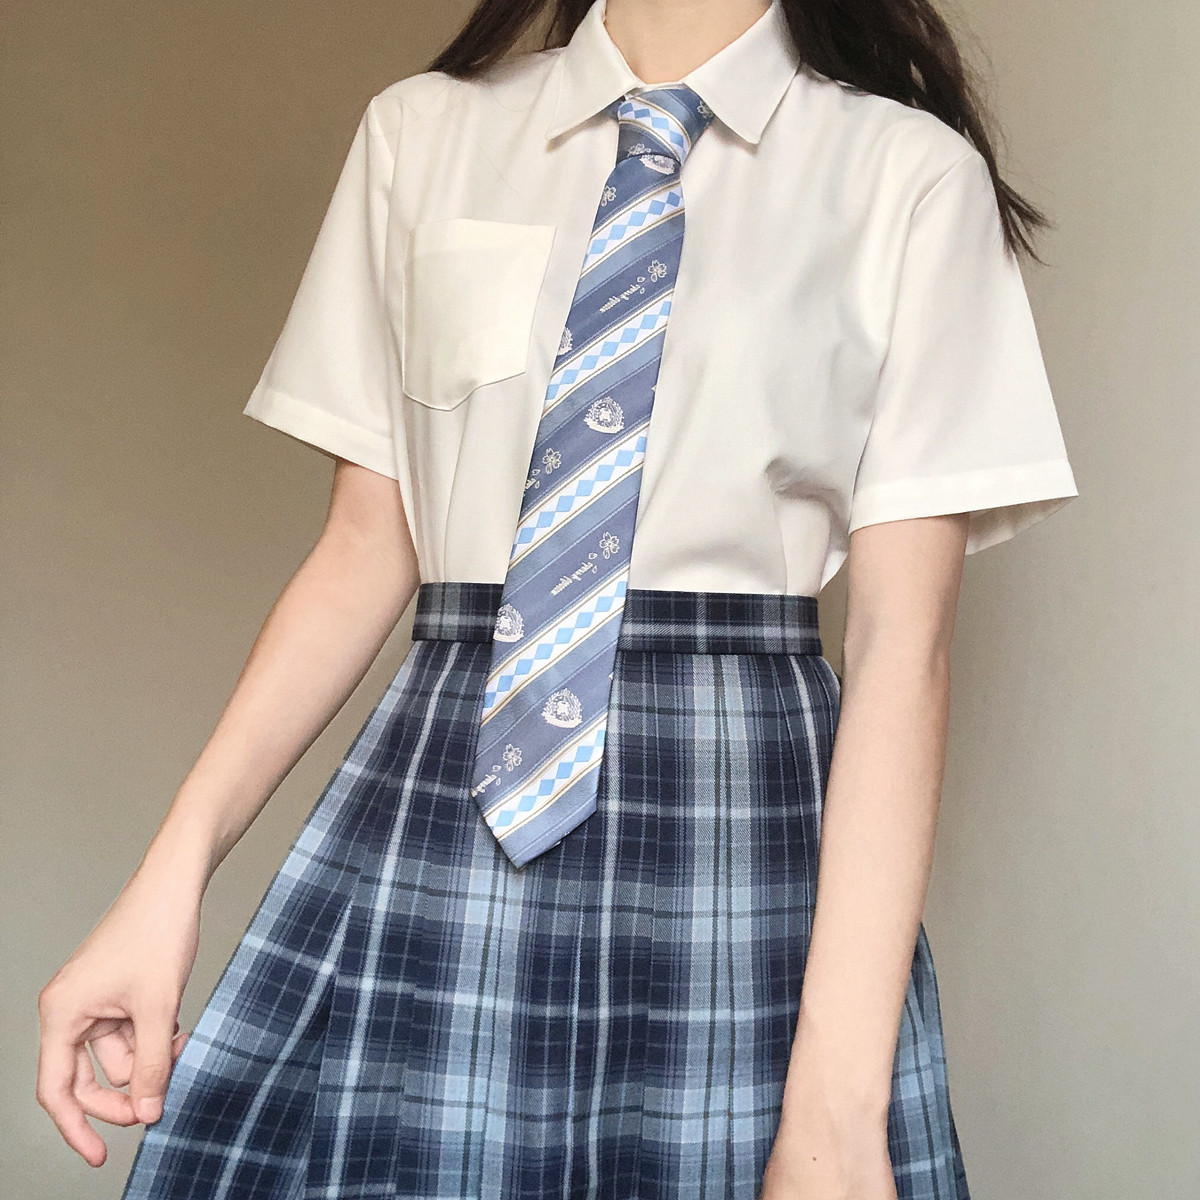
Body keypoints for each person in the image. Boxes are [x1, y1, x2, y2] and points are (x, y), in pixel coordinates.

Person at [35, 0, 1078, 1197]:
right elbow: (365, 549)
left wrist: (837, 1115)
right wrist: (167, 882)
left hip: (735, 825)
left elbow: (903, 646)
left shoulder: (907, 176)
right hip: (452, 791)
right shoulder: (422, 134)